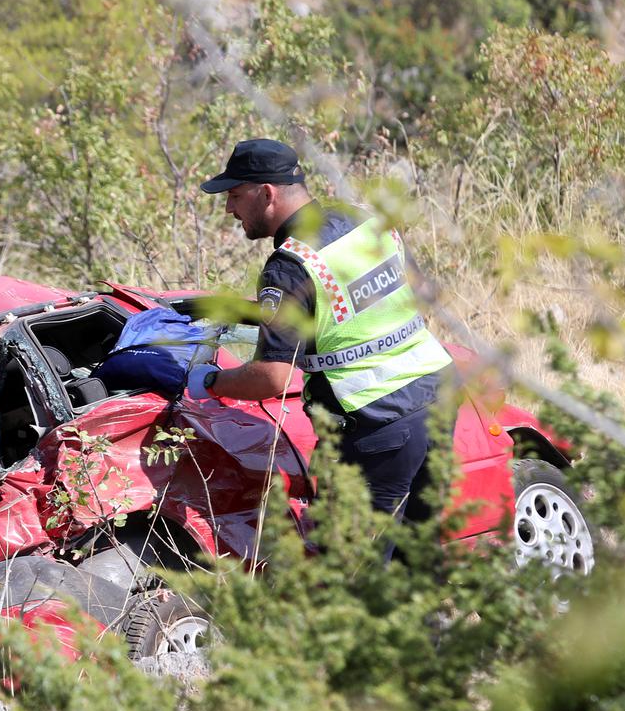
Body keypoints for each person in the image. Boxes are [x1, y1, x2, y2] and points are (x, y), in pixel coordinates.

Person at [188, 138, 453, 532]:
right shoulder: (363, 219)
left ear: (267, 194)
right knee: (415, 552)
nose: (229, 209)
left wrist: (211, 382)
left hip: (376, 426)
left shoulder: (290, 266)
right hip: (437, 399)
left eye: (235, 195)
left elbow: (273, 378)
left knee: (351, 561)